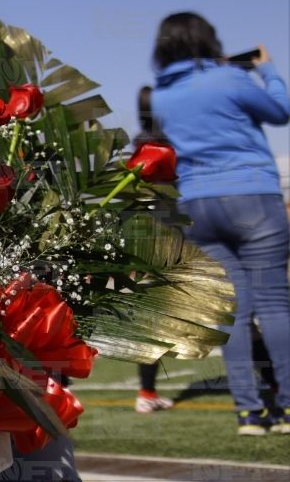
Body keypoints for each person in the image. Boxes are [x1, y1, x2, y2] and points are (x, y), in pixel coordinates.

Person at [149, 13, 290, 436]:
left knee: (233, 314)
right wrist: (266, 69)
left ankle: (249, 413)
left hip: (199, 207)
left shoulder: (161, 95)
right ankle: (286, 405)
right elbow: (281, 111)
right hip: (252, 199)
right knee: (274, 305)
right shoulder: (230, 79)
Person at [131, 85, 175, 414]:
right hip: (165, 236)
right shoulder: (169, 147)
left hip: (140, 236)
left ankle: (147, 392)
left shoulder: (137, 147)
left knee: (151, 320)